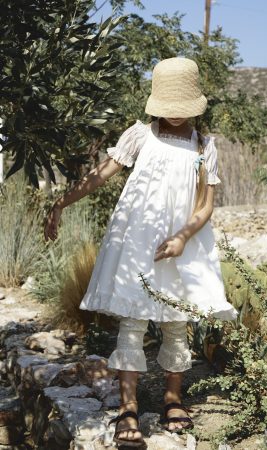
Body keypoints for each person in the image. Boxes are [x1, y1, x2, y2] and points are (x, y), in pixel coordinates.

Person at [44, 57, 239, 448]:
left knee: (177, 321)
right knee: (132, 321)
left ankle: (173, 399)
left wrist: (184, 236)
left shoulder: (205, 145)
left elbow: (205, 205)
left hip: (182, 245)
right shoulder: (139, 135)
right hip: (137, 241)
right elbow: (99, 176)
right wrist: (61, 203)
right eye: (171, 108)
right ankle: (128, 408)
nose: (176, 116)